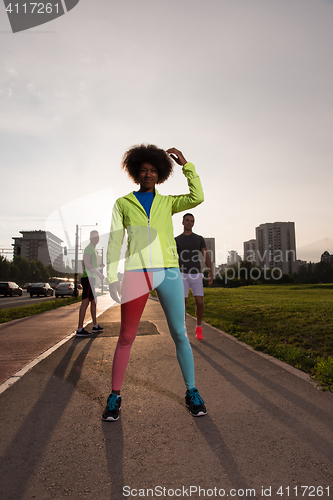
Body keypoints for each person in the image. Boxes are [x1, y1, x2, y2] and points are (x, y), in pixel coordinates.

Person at [102, 144, 207, 421]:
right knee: (126, 336)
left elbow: (198, 196)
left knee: (180, 333)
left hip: (169, 271)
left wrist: (187, 165)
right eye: (144, 170)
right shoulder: (123, 204)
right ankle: (115, 396)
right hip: (136, 272)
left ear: (159, 175)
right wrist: (112, 275)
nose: (148, 175)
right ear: (136, 172)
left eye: (154, 171)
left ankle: (191, 392)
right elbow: (115, 240)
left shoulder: (168, 202)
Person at [175, 213, 213, 340]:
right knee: (183, 304)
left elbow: (205, 255)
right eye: (187, 220)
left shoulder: (199, 238)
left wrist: (210, 271)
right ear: (183, 222)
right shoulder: (177, 240)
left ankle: (198, 327)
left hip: (196, 274)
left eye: (191, 221)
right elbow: (173, 258)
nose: (189, 223)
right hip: (182, 274)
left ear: (193, 223)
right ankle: (184, 329)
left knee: (200, 302)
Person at [76, 230, 104, 337]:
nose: (96, 239)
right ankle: (79, 329)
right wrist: (98, 273)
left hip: (91, 278)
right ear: (90, 238)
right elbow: (87, 263)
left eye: (97, 237)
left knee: (93, 302)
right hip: (87, 278)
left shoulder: (93, 249)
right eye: (94, 238)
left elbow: (91, 264)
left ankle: (95, 325)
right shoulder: (89, 248)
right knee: (85, 302)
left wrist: (99, 269)